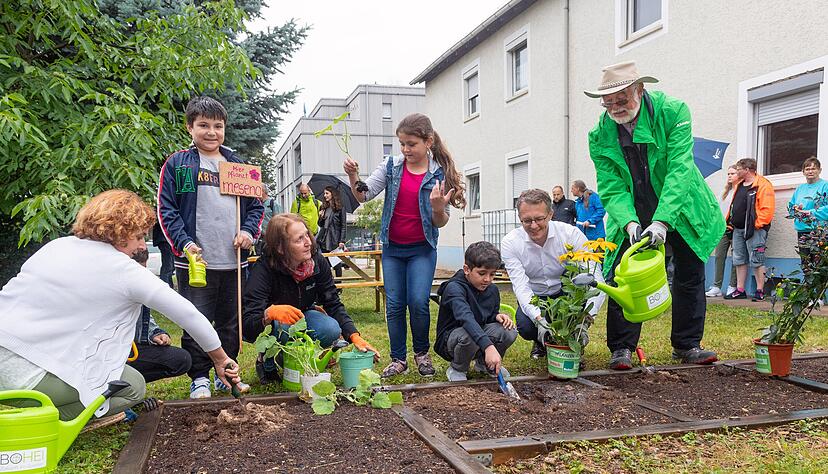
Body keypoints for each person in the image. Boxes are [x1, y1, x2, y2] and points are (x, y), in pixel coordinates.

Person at [0, 189, 240, 421]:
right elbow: (188, 314)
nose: (141, 246)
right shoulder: (124, 270)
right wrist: (220, 359)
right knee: (132, 387)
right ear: (119, 233)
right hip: (24, 378)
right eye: (138, 237)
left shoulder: (56, 246)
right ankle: (48, 419)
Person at [585, 60, 724, 369]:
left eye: (622, 100)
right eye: (608, 104)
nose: (616, 108)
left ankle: (687, 345)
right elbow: (610, 185)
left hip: (681, 206)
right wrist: (630, 222)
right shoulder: (600, 135)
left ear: (641, 89)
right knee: (623, 274)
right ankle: (621, 348)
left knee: (689, 273)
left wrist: (662, 221)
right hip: (634, 210)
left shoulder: (672, 112)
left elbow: (679, 171)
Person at [344, 112, 465, 378]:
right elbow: (364, 195)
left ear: (428, 142)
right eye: (402, 144)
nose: (405, 149)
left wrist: (437, 208)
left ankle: (422, 354)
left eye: (411, 144)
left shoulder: (439, 174)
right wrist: (354, 176)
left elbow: (441, 221)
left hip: (422, 248)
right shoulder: (391, 166)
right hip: (393, 249)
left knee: (418, 301)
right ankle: (399, 359)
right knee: (396, 304)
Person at [157, 96, 264, 399]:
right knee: (196, 321)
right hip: (196, 264)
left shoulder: (239, 166)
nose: (211, 132)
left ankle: (227, 373)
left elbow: (256, 208)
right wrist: (185, 244)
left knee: (230, 322)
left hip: (234, 263)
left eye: (218, 126)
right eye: (203, 125)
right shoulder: (181, 165)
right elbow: (168, 210)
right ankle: (200, 376)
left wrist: (247, 232)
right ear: (190, 127)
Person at [242, 214, 379, 383]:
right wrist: (269, 313)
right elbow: (247, 325)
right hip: (275, 324)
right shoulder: (264, 270)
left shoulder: (317, 262)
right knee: (281, 325)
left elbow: (333, 303)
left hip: (303, 314)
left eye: (307, 234)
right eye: (299, 239)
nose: (308, 242)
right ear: (281, 248)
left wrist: (354, 335)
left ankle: (287, 359)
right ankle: (266, 361)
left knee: (331, 329)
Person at [501, 189, 605, 360]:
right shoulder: (511, 243)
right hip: (536, 295)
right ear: (519, 218)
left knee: (577, 307)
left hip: (566, 292)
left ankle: (574, 341)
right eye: (527, 221)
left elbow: (596, 280)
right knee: (526, 327)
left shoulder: (570, 235)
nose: (533, 226)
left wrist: (585, 321)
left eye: (539, 219)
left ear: (550, 214)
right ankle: (541, 340)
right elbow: (520, 287)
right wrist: (539, 320)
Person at [435, 241, 517, 382]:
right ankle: (458, 368)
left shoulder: (492, 290)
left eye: (492, 274)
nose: (487, 279)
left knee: (508, 330)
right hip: (452, 341)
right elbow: (466, 318)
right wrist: (489, 347)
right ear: (467, 269)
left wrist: (496, 316)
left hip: (477, 336)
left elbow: (487, 317)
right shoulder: (454, 288)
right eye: (482, 273)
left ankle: (486, 365)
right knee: (469, 334)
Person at [724, 158, 775, 302]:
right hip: (738, 229)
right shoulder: (740, 184)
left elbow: (767, 208)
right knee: (739, 259)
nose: (737, 171)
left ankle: (760, 290)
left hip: (755, 229)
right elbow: (734, 206)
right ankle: (740, 290)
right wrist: (730, 222)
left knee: (757, 260)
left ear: (747, 170)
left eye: (739, 169)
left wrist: (757, 225)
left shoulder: (763, 184)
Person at [128, 306, 192, 383]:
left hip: (127, 351)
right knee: (134, 389)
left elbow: (141, 313)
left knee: (180, 359)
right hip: (112, 353)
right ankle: (116, 384)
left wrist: (153, 333)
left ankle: (126, 382)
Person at [705, 165, 739, 298]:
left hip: (736, 228)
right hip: (723, 229)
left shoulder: (740, 191)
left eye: (733, 173)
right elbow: (718, 210)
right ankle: (716, 286)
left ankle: (732, 285)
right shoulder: (725, 192)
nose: (730, 176)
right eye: (728, 174)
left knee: (736, 258)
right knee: (719, 256)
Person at [789, 156, 828, 268]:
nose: (810, 171)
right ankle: (807, 286)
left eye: (813, 168)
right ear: (803, 172)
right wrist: (795, 209)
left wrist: (810, 212)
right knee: (806, 265)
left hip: (819, 231)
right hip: (803, 231)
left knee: (819, 265)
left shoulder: (825, 186)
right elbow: (791, 207)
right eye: (807, 169)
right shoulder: (800, 188)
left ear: (820, 170)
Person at [317, 185, 348, 278]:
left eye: (327, 193)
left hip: (335, 239)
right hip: (324, 239)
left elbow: (343, 225)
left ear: (332, 194)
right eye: (324, 193)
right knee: (326, 264)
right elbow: (320, 224)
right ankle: (329, 284)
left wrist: (342, 241)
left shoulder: (340, 208)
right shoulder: (324, 207)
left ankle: (339, 286)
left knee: (336, 264)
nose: (325, 195)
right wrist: (321, 217)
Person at [152, 221, 175, 288]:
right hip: (165, 239)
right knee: (168, 267)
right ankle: (166, 288)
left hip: (165, 239)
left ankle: (167, 287)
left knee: (169, 266)